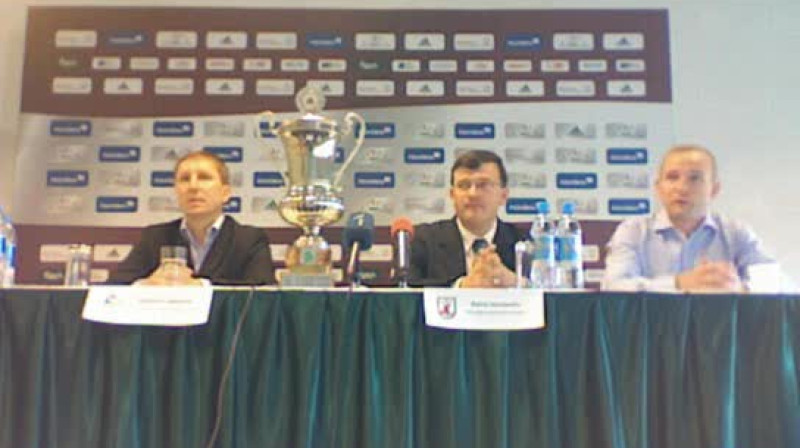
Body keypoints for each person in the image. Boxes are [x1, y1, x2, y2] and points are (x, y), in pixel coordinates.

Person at [602, 144, 778, 292]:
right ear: (659, 188)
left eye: (695, 178)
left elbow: (776, 283)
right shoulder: (634, 231)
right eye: (672, 177)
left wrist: (740, 288)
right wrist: (679, 283)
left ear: (714, 190)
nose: (682, 187)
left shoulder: (736, 232)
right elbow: (612, 287)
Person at [109, 151, 276, 285]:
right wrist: (146, 284)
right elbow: (115, 285)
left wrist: (200, 286)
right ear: (176, 191)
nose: (193, 186)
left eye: (204, 178)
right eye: (185, 179)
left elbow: (262, 290)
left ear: (225, 193)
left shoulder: (249, 240)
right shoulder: (155, 237)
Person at [409, 150, 526, 287]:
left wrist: (517, 283)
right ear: (452, 195)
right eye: (464, 185)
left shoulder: (523, 241)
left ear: (503, 196)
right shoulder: (423, 240)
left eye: (483, 185)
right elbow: (408, 291)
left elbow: (544, 287)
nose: (473, 194)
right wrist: (461, 287)